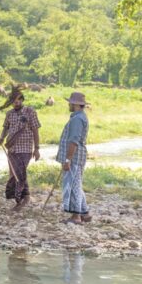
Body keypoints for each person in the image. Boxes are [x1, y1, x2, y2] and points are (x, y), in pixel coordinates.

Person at [0, 92, 41, 211]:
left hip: (26, 149)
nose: (15, 103)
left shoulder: (30, 112)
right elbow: (6, 127)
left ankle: (20, 200)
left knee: (19, 174)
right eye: (13, 101)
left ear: (22, 100)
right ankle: (25, 196)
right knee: (14, 174)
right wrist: (2, 137)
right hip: (12, 149)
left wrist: (36, 149)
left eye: (17, 100)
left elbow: (35, 130)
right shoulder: (9, 114)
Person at [56, 92, 91, 225]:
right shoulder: (79, 116)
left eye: (70, 102)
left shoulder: (77, 119)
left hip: (74, 158)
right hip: (77, 157)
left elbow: (74, 141)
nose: (69, 104)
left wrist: (67, 160)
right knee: (77, 184)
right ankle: (85, 213)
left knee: (72, 186)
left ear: (76, 104)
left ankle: (76, 217)